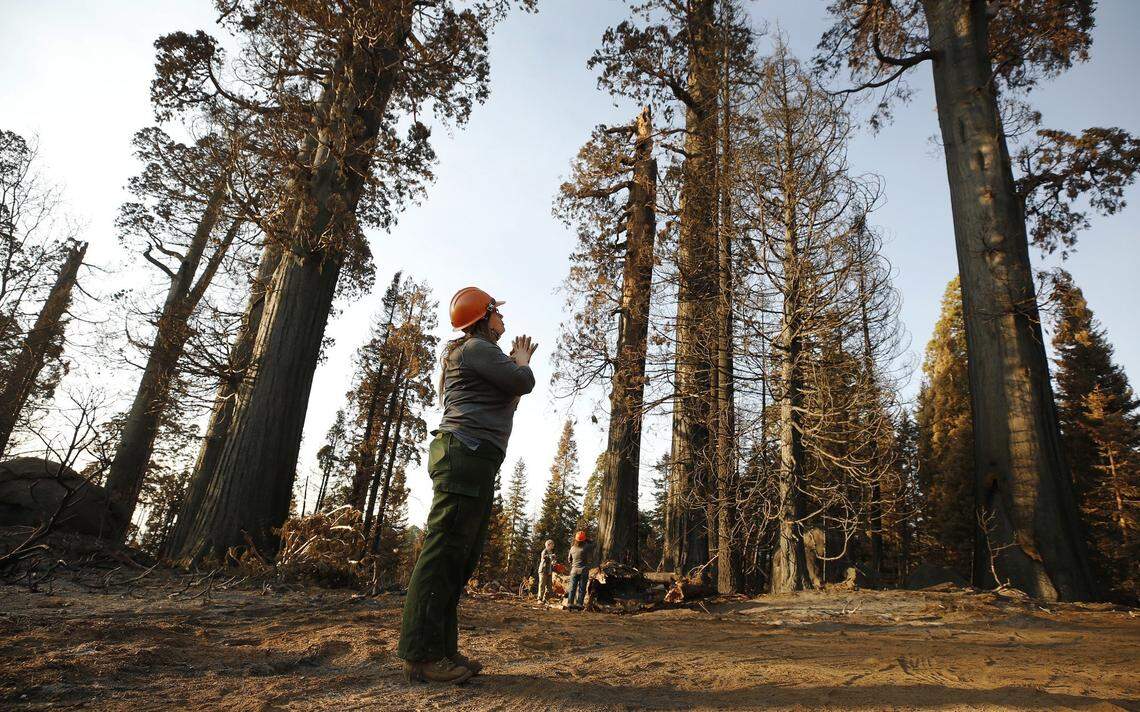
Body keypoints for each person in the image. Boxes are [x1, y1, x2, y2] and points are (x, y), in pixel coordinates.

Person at [397, 286, 538, 685]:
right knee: (443, 555)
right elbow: (522, 382)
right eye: (498, 313)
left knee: (460, 558)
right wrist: (522, 362)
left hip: (473, 458)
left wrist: (512, 368)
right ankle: (422, 655)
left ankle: (442, 649)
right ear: (482, 316)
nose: (504, 320)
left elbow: (509, 396)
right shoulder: (476, 348)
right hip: (464, 454)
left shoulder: (479, 354)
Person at [566, 530, 593, 609]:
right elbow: (594, 544)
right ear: (584, 540)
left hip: (574, 570)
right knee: (582, 588)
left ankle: (570, 603)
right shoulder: (586, 547)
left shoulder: (572, 548)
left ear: (576, 539)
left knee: (572, 588)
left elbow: (569, 560)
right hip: (583, 571)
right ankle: (579, 604)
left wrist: (574, 564)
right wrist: (587, 540)